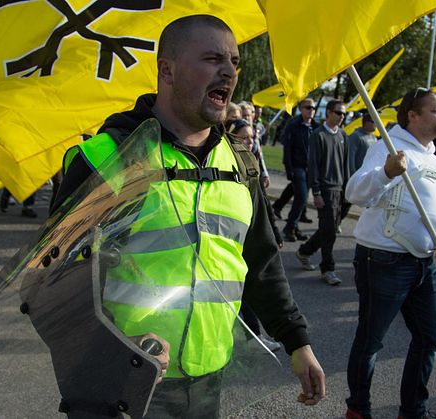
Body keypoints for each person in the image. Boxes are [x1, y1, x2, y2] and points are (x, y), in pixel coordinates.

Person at [52, 15, 325, 417]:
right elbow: (52, 280)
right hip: (118, 387)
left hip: (207, 384)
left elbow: (261, 264)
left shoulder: (240, 164)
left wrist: (296, 341)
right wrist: (114, 348)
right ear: (167, 69)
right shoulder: (113, 158)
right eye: (213, 59)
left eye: (234, 61)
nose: (229, 71)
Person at [344, 87, 436, 419]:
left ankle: (413, 410)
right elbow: (355, 192)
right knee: (371, 340)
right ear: (413, 115)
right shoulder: (387, 148)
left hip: (425, 263)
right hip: (384, 258)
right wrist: (386, 173)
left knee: (431, 335)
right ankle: (358, 409)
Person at [227, 118, 283, 352]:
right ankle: (249, 337)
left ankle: (251, 337)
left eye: (252, 137)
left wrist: (275, 233)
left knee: (246, 289)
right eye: (244, 137)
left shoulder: (251, 163)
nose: (250, 142)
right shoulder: (226, 166)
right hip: (233, 241)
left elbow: (263, 207)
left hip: (250, 239)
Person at [295, 99, 349, 285]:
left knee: (329, 229)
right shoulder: (318, 135)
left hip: (340, 188)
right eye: (338, 113)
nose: (342, 117)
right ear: (328, 113)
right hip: (325, 189)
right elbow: (313, 166)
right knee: (329, 231)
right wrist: (316, 192)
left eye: (344, 114)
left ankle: (305, 251)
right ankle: (328, 268)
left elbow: (345, 164)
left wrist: (347, 187)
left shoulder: (343, 135)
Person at [277, 98, 319, 240]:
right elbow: (287, 148)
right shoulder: (293, 124)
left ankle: (294, 227)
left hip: (310, 168)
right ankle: (289, 227)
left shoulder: (316, 127)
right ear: (301, 109)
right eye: (308, 107)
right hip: (297, 166)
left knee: (302, 197)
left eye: (313, 108)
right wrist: (289, 169)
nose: (311, 110)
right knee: (301, 197)